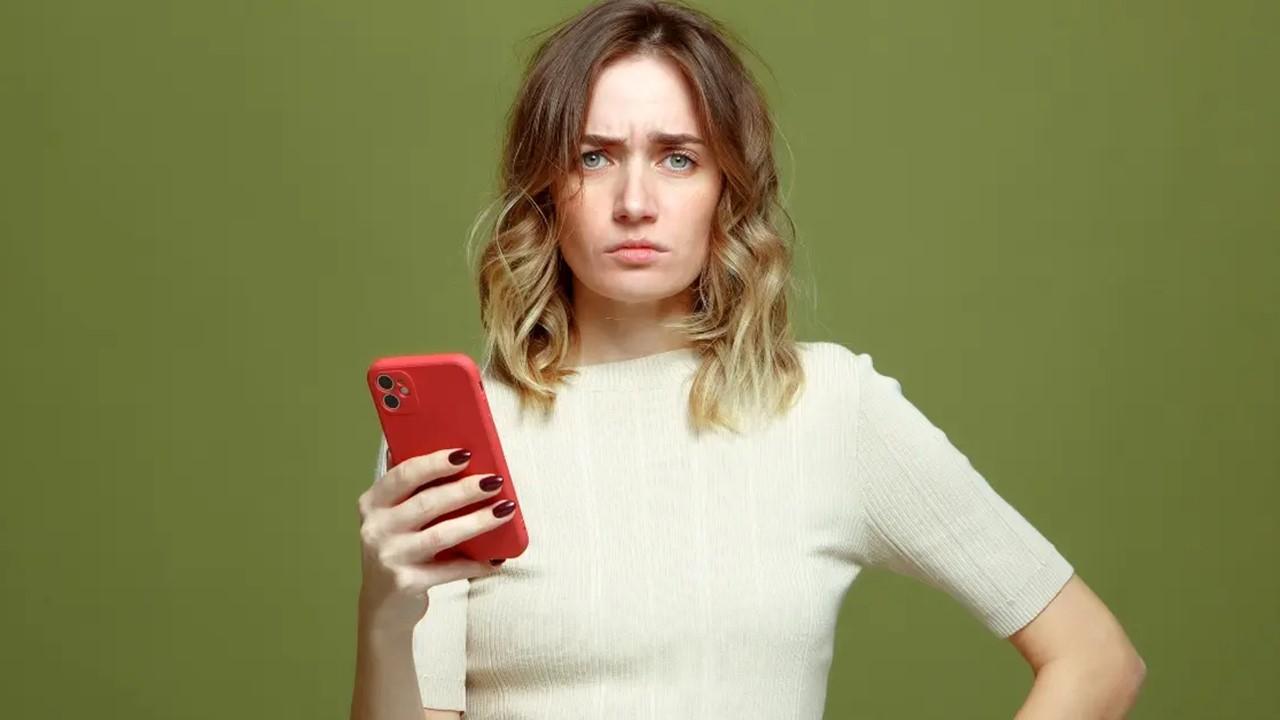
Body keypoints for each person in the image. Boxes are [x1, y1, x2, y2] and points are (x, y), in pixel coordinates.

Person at [351, 1, 1147, 718]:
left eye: (677, 157)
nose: (635, 200)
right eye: (593, 156)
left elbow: (1097, 661)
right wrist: (387, 614)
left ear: (725, 189)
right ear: (545, 188)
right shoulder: (463, 446)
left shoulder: (829, 406)